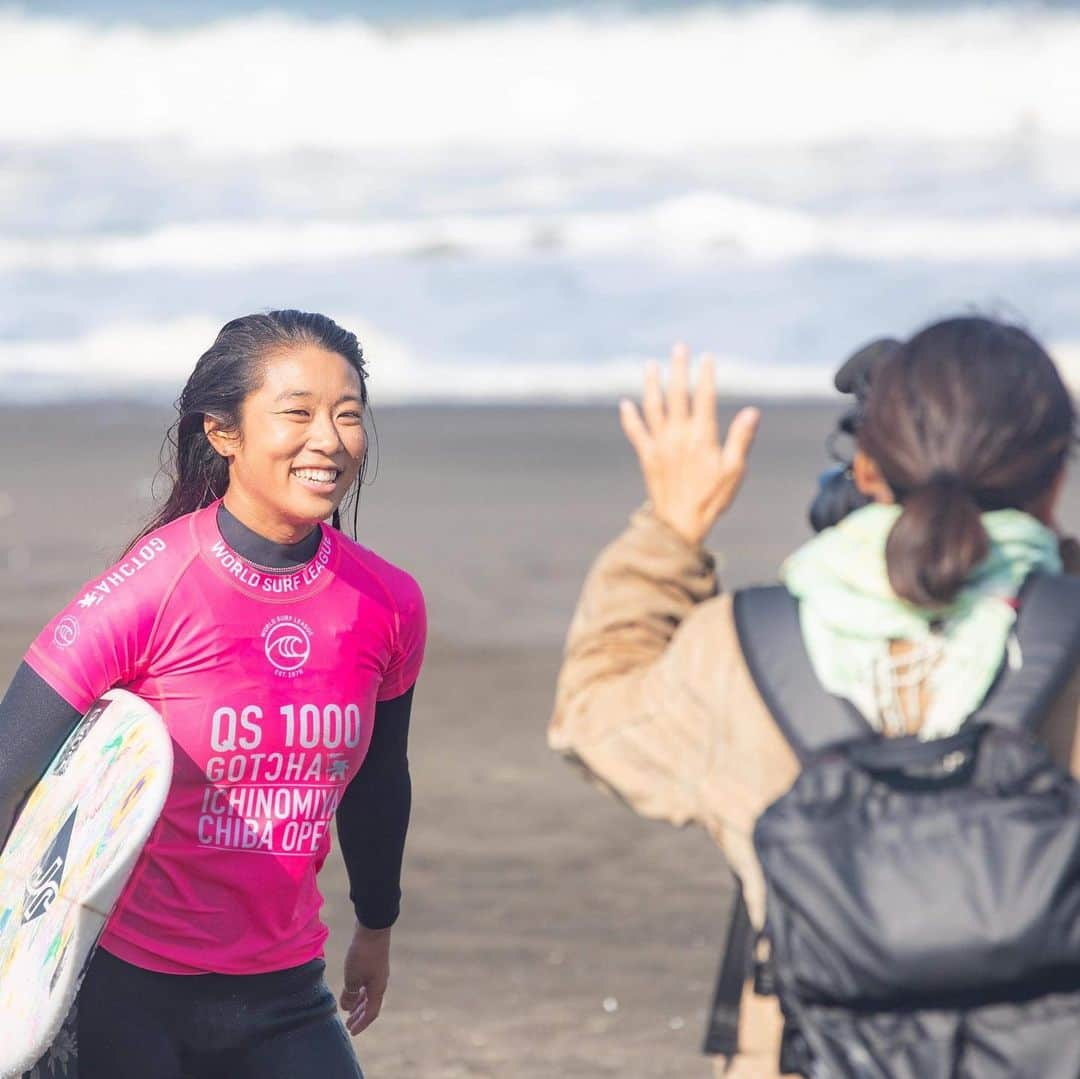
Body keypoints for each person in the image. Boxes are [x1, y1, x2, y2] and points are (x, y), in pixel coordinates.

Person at [549, 316, 1080, 1077]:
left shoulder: (742, 645)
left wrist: (670, 530)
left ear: (868, 468)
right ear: (1056, 473)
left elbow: (594, 714)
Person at [0, 310, 426, 1079]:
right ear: (224, 433)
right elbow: (11, 768)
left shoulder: (386, 603)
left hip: (284, 990)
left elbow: (379, 780)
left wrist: (377, 922)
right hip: (124, 992)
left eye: (348, 413)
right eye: (297, 412)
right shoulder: (153, 586)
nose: (328, 437)